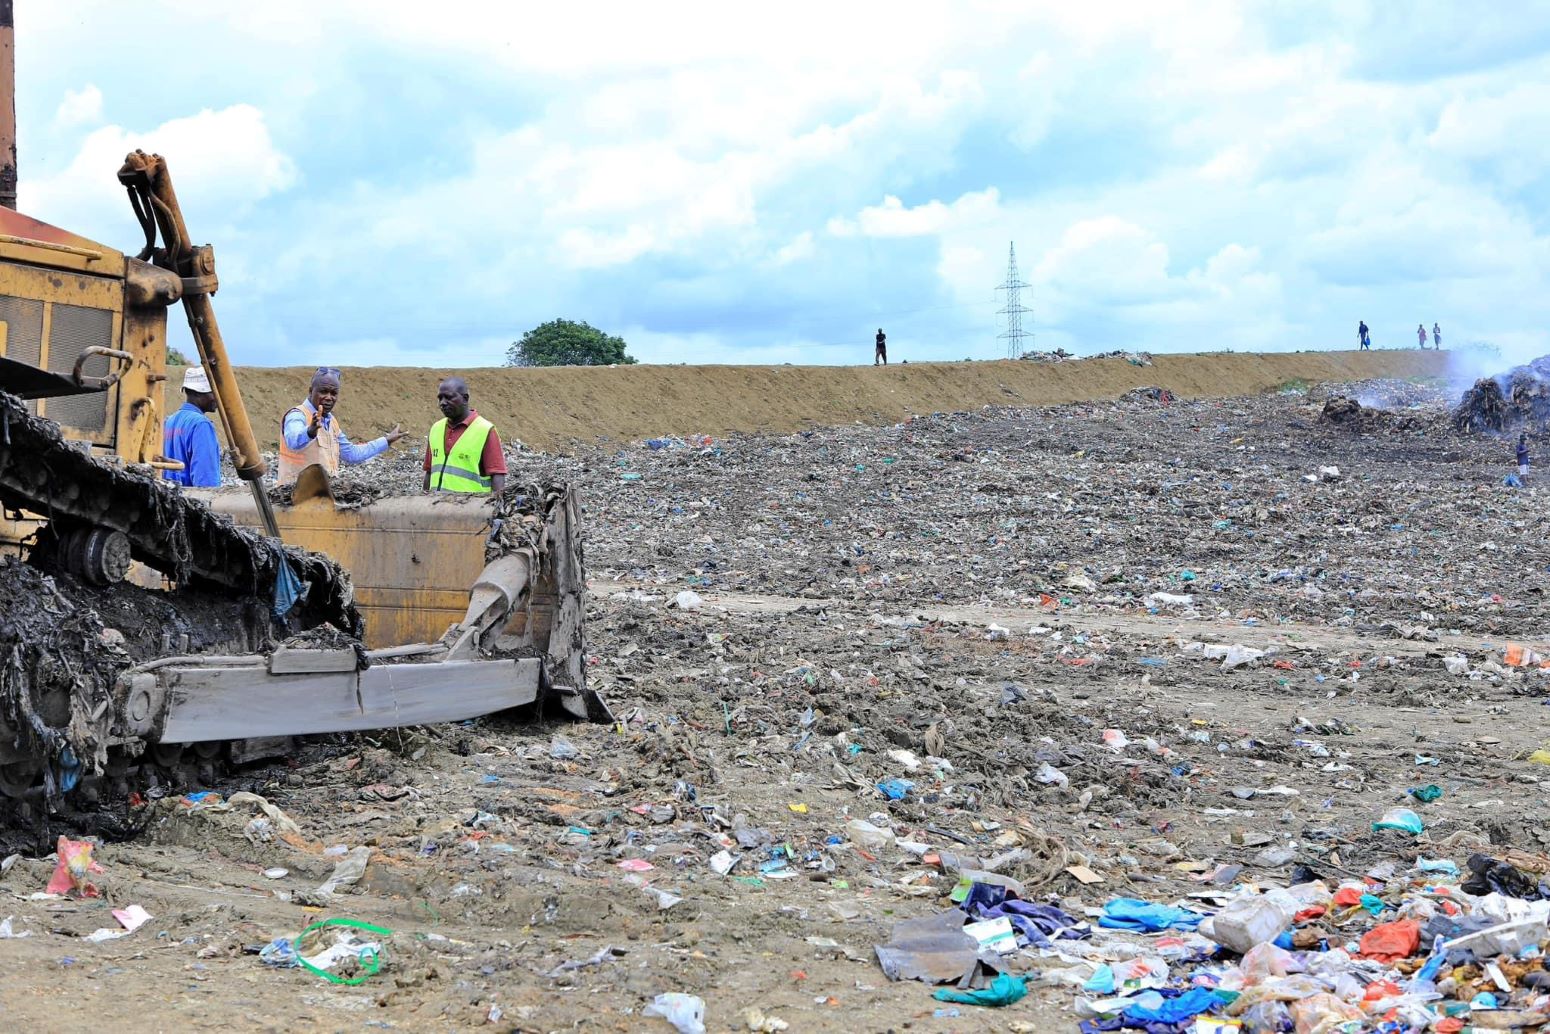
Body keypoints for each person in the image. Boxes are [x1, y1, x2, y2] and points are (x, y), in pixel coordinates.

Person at [278, 367, 404, 485]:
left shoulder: (331, 422)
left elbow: (351, 454)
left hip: (322, 496)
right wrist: (309, 432)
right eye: (323, 392)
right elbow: (293, 440)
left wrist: (386, 441)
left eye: (333, 393)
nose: (329, 398)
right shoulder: (297, 415)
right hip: (294, 497)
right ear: (311, 391)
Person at [423, 376, 507, 495]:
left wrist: (496, 508)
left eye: (449, 397)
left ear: (465, 398)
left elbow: (497, 475)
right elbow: (429, 472)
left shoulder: (485, 430)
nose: (442, 403)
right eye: (440, 398)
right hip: (435, 508)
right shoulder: (436, 429)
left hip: (469, 510)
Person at [162, 365, 221, 487]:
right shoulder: (201, 425)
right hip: (190, 501)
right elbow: (206, 481)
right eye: (212, 393)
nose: (217, 398)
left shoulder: (168, 422)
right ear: (197, 394)